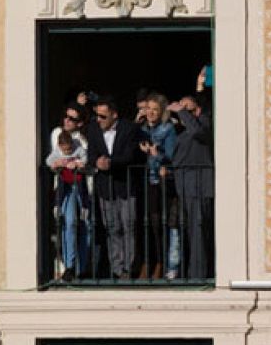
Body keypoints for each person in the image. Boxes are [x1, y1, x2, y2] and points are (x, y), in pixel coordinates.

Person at [86, 98, 141, 280]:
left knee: (128, 226)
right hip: (105, 187)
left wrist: (110, 162)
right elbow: (91, 154)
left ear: (114, 115)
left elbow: (130, 155)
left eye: (103, 116)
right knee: (112, 228)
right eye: (97, 116)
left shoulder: (129, 128)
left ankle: (129, 266)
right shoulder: (93, 129)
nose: (99, 119)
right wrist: (96, 162)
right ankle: (117, 268)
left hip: (125, 185)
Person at [169, 84, 214, 280]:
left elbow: (199, 133)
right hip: (184, 184)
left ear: (197, 109)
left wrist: (183, 113)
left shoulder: (205, 120)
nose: (182, 111)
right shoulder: (182, 127)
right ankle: (189, 272)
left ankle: (198, 275)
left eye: (186, 108)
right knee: (187, 232)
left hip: (199, 184)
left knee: (198, 231)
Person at [136, 92, 177, 280]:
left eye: (155, 109)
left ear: (162, 112)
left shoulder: (167, 129)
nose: (151, 113)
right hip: (141, 181)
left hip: (158, 182)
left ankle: (161, 263)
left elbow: (171, 156)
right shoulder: (142, 128)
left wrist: (156, 153)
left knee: (157, 224)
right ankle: (145, 261)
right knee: (141, 225)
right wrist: (136, 125)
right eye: (148, 109)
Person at [46, 108, 90, 282]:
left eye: (72, 119)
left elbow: (85, 158)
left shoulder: (80, 143)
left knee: (86, 224)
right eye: (66, 117)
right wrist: (57, 163)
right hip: (66, 187)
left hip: (82, 186)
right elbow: (49, 160)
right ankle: (69, 266)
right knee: (69, 223)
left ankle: (83, 267)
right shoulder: (57, 136)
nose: (67, 120)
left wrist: (78, 163)